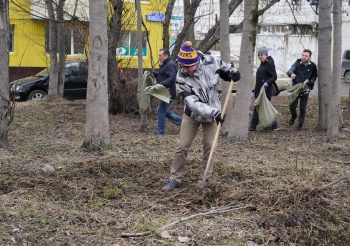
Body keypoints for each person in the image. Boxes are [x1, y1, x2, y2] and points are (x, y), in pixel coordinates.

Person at [162, 41, 240, 192]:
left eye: (188, 66)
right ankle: (174, 178)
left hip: (213, 113)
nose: (185, 69)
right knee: (182, 145)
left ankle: (204, 179)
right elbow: (193, 104)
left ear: (197, 62)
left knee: (210, 147)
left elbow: (226, 67)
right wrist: (214, 113)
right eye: (182, 66)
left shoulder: (211, 62)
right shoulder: (181, 77)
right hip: (193, 115)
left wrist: (231, 72)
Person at [152, 48, 182, 135]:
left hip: (168, 93)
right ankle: (182, 123)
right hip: (165, 92)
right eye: (159, 55)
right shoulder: (165, 64)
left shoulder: (170, 65)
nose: (159, 57)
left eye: (160, 55)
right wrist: (155, 74)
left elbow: (172, 78)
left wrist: (161, 84)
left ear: (166, 56)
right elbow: (164, 75)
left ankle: (160, 131)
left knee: (161, 111)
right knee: (164, 110)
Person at [287, 49, 318, 131]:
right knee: (292, 106)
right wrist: (292, 74)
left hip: (305, 89)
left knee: (302, 109)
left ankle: (300, 124)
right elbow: (290, 71)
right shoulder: (297, 63)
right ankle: (294, 116)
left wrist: (310, 82)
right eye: (303, 55)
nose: (304, 57)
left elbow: (314, 76)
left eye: (306, 56)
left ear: (309, 57)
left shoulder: (313, 66)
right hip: (295, 89)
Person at [249, 47, 279, 131]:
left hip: (266, 90)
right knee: (262, 107)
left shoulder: (269, 63)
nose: (260, 56)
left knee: (259, 107)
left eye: (262, 55)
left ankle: (253, 126)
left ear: (266, 55)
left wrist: (267, 82)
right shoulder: (262, 63)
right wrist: (255, 91)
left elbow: (274, 76)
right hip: (259, 90)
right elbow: (259, 79)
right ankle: (274, 125)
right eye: (259, 55)